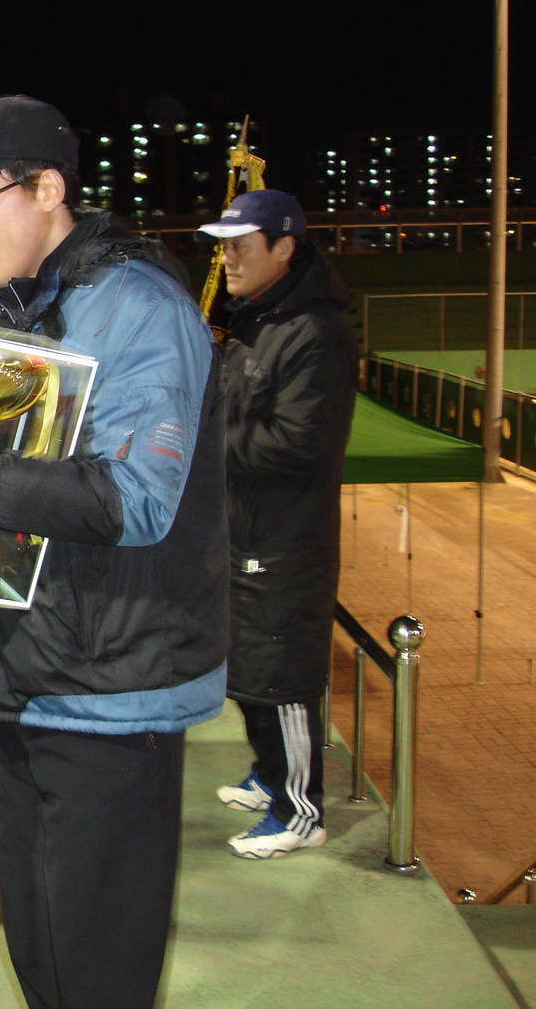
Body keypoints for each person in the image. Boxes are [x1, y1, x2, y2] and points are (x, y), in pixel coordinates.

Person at [0, 95, 228, 1009]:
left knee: (98, 961)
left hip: (113, 682)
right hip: (23, 667)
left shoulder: (139, 307)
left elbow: (138, 500)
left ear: (48, 189)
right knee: (41, 947)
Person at [196, 189, 357, 859]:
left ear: (284, 248)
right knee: (251, 668)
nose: (228, 260)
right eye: (224, 247)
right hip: (245, 530)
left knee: (283, 678)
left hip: (286, 542)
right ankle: (269, 774)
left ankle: (300, 811)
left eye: (241, 246)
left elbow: (298, 443)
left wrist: (204, 445)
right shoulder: (258, 320)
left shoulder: (315, 332)